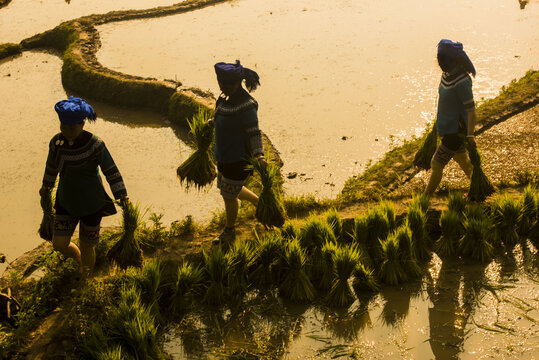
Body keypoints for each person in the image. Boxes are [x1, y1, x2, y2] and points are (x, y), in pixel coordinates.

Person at [39, 96, 128, 277]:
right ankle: (77, 257)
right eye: (63, 127)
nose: (67, 131)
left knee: (88, 244)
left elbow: (111, 170)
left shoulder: (95, 144)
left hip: (92, 203)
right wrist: (45, 186)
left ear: (82, 125)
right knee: (59, 244)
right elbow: (51, 167)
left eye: (71, 128)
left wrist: (122, 195)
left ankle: (85, 280)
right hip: (66, 201)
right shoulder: (56, 143)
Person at [211, 60, 266, 244]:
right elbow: (220, 118)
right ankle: (259, 203)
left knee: (228, 195)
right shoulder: (223, 98)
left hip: (238, 158)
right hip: (223, 155)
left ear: (237, 83)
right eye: (220, 84)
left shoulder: (247, 105)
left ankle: (230, 231)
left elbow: (254, 132)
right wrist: (210, 124)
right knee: (227, 188)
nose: (222, 87)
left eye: (226, 84)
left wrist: (259, 155)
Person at [424, 39, 477, 197]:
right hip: (447, 129)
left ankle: (423, 200)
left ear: (452, 60)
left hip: (455, 132)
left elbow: (472, 110)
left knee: (436, 163)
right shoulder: (447, 76)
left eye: (442, 60)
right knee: (465, 163)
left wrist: (470, 135)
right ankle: (481, 190)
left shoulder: (462, 81)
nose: (440, 63)